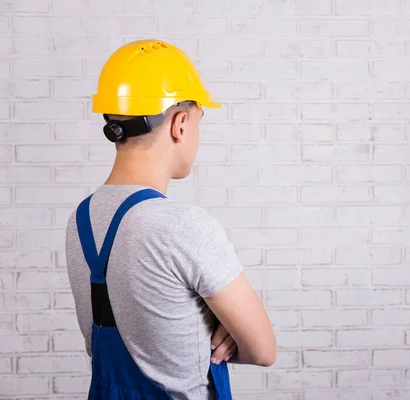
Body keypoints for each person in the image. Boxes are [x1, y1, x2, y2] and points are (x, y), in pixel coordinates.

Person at [64, 39, 276, 400]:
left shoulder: (81, 220)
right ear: (180, 123)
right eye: (198, 120)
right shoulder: (183, 226)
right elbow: (263, 350)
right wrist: (220, 325)